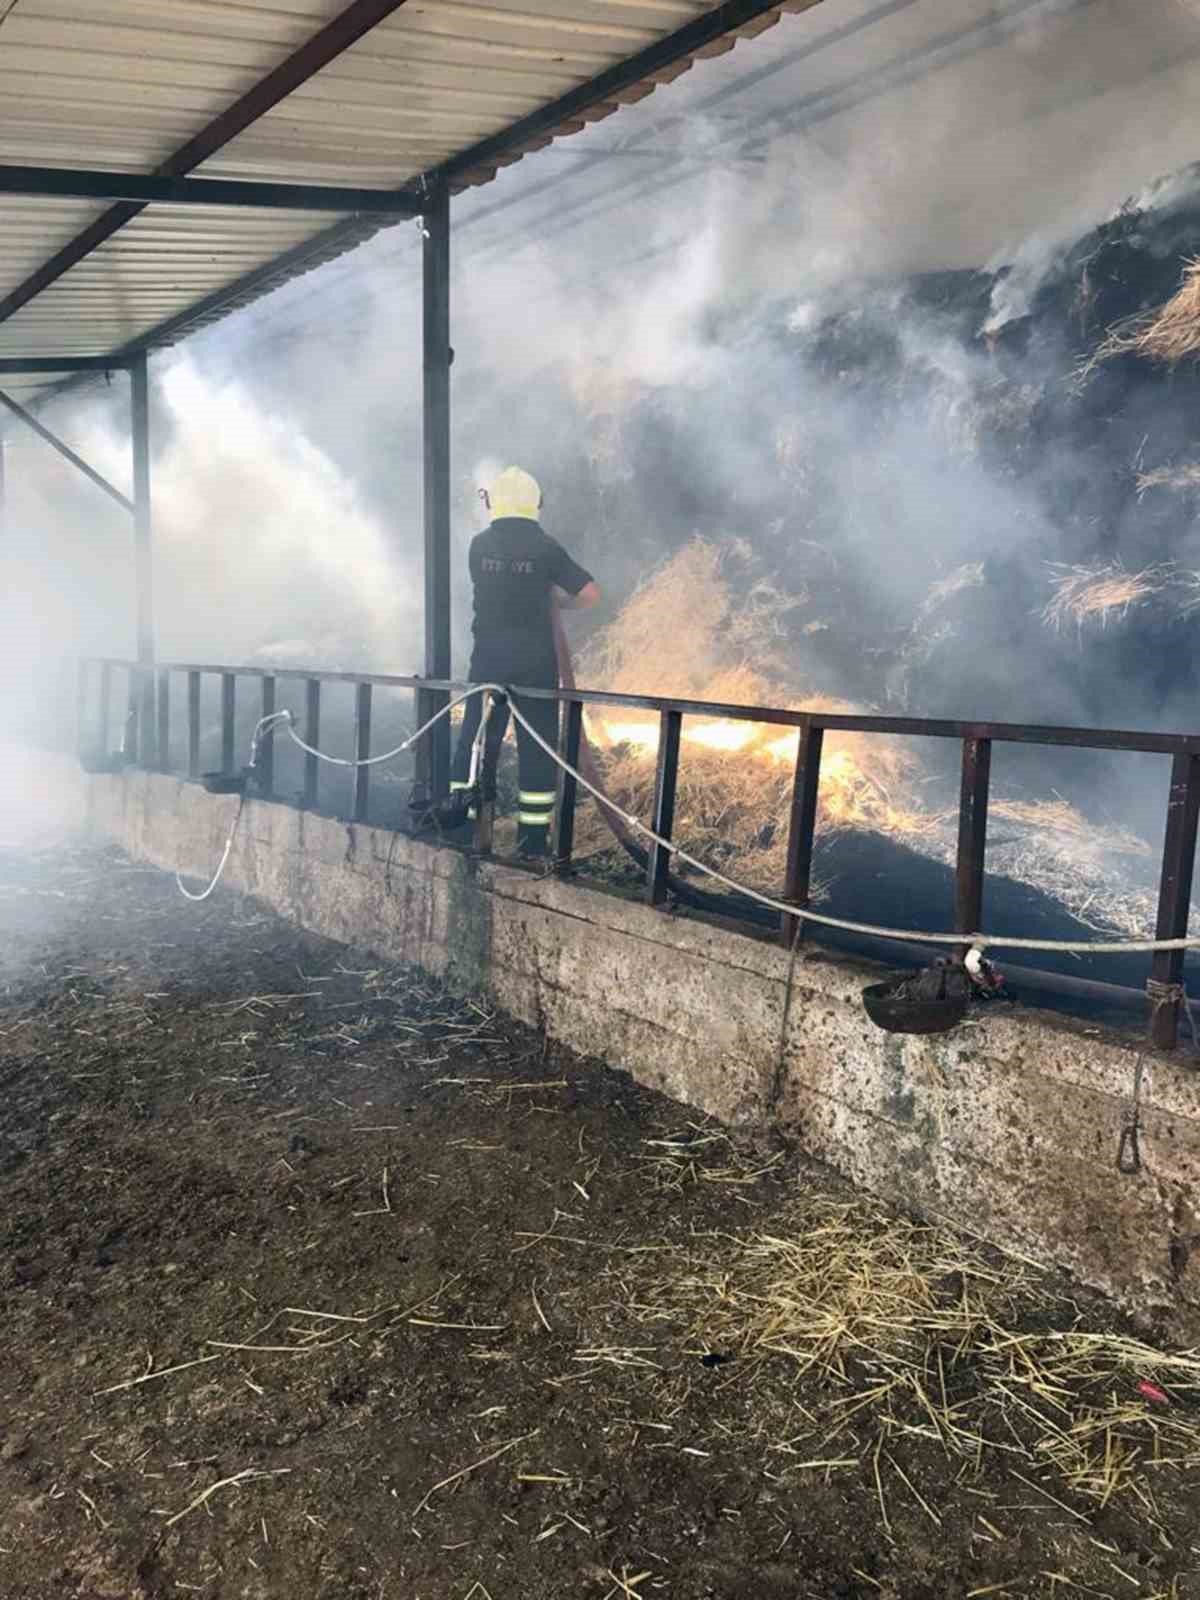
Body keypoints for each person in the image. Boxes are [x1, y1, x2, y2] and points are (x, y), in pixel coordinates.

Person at [451, 466, 600, 858]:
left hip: (488, 664)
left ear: (493, 503)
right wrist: (558, 601)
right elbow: (590, 594)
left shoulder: (478, 546)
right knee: (537, 749)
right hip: (535, 666)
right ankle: (531, 842)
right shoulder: (547, 548)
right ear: (536, 503)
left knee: (478, 741)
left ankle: (463, 827)